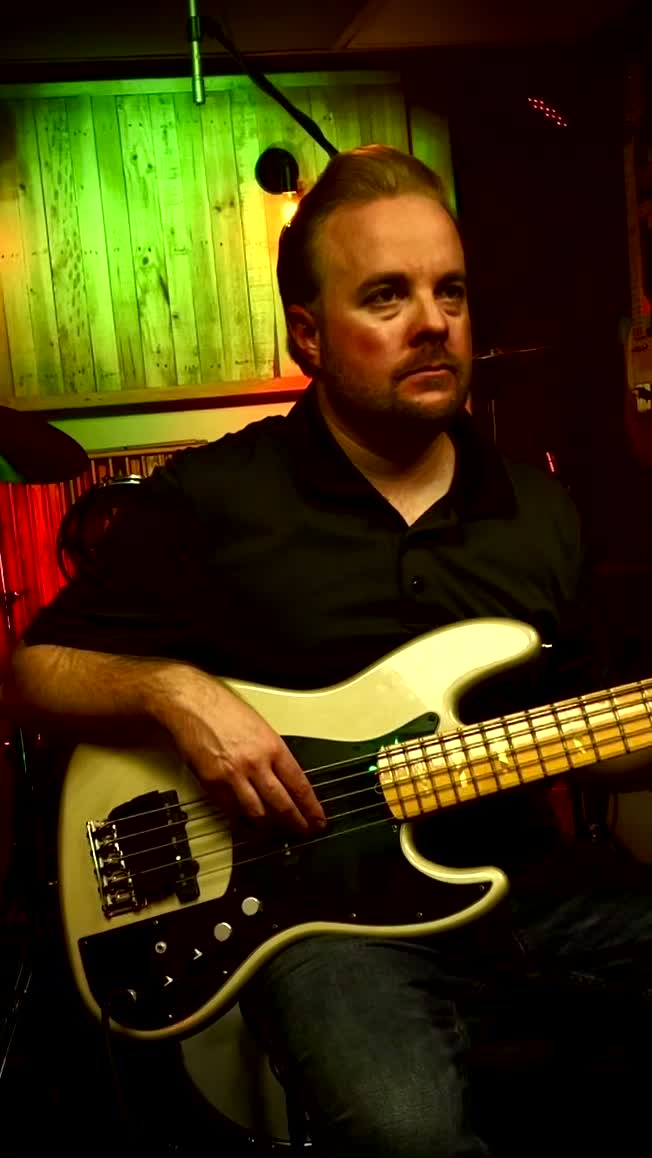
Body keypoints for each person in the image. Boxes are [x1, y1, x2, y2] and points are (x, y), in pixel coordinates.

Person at [3, 145, 652, 1157]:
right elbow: (34, 672)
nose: (433, 322)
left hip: (528, 885)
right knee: (403, 1132)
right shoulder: (218, 500)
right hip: (323, 923)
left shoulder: (539, 508)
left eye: (450, 292)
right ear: (307, 335)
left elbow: (590, 720)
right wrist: (175, 691)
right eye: (387, 296)